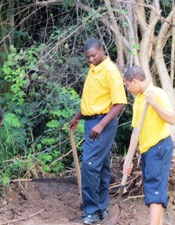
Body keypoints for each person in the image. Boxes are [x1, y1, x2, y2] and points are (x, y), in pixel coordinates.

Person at [67, 38, 127, 224]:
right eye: (88, 57)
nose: (91, 59)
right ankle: (101, 209)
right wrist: (78, 116)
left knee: (90, 165)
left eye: (93, 55)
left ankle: (91, 211)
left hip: (103, 123)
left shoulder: (110, 71)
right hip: (91, 122)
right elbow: (92, 101)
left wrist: (101, 125)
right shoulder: (93, 69)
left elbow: (119, 103)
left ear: (102, 50)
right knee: (100, 165)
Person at [123, 66, 175, 225]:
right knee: (154, 190)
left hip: (159, 146)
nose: (127, 88)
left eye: (127, 85)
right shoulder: (138, 99)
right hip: (148, 151)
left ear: (135, 81)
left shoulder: (156, 94)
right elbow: (135, 132)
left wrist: (154, 104)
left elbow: (172, 119)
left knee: (154, 190)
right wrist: (129, 158)